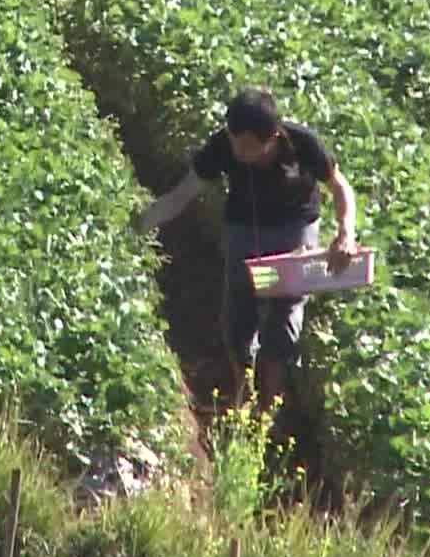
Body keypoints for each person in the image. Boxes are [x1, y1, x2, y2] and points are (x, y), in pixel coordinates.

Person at [133, 86, 358, 415]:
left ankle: (268, 410)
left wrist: (346, 234)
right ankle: (243, 387)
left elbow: (340, 186)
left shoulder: (302, 143)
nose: (239, 150)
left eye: (248, 145)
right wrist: (139, 225)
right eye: (235, 141)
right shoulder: (222, 147)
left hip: (294, 229)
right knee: (238, 316)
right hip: (244, 229)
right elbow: (182, 194)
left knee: (283, 314)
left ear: (272, 138)